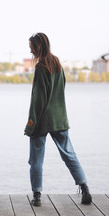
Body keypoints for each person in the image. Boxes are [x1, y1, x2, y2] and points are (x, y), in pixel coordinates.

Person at [24, 32, 92, 206]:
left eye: (31, 47)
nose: (30, 50)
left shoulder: (41, 67)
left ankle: (37, 195)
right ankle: (84, 188)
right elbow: (61, 90)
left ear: (38, 46)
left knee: (36, 160)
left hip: (41, 120)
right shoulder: (57, 64)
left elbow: (38, 100)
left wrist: (31, 124)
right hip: (60, 118)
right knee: (69, 155)